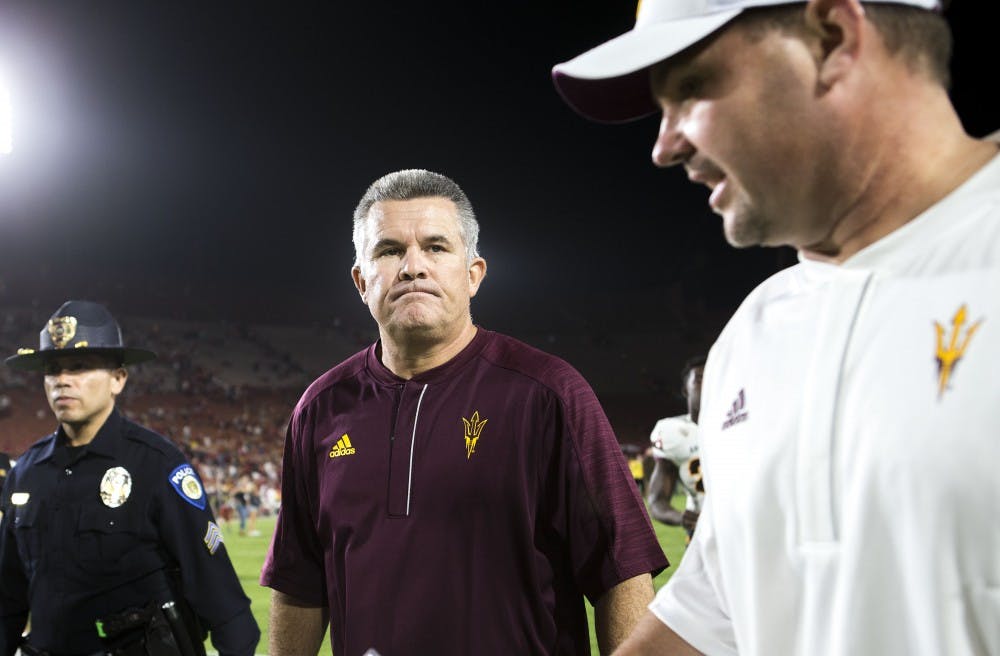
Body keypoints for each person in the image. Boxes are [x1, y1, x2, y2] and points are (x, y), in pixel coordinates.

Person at [552, 1, 1000, 654]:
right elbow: (717, 610)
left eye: (692, 87)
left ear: (831, 37)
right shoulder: (754, 333)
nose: (663, 145)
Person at [260, 169, 668, 655]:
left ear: (473, 274)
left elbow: (620, 571)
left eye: (435, 247)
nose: (413, 266)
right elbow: (299, 584)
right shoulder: (320, 409)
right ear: (360, 281)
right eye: (389, 251)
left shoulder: (550, 393)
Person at [0, 300, 260, 656]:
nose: (62, 380)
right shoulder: (25, 474)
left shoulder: (157, 466)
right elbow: (7, 603)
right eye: (53, 369)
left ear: (118, 379)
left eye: (79, 367)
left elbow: (226, 608)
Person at [646, 356, 705, 539]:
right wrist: (682, 517)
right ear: (685, 390)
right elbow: (657, 501)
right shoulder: (674, 433)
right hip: (700, 532)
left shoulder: (743, 426)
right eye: (700, 379)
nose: (709, 383)